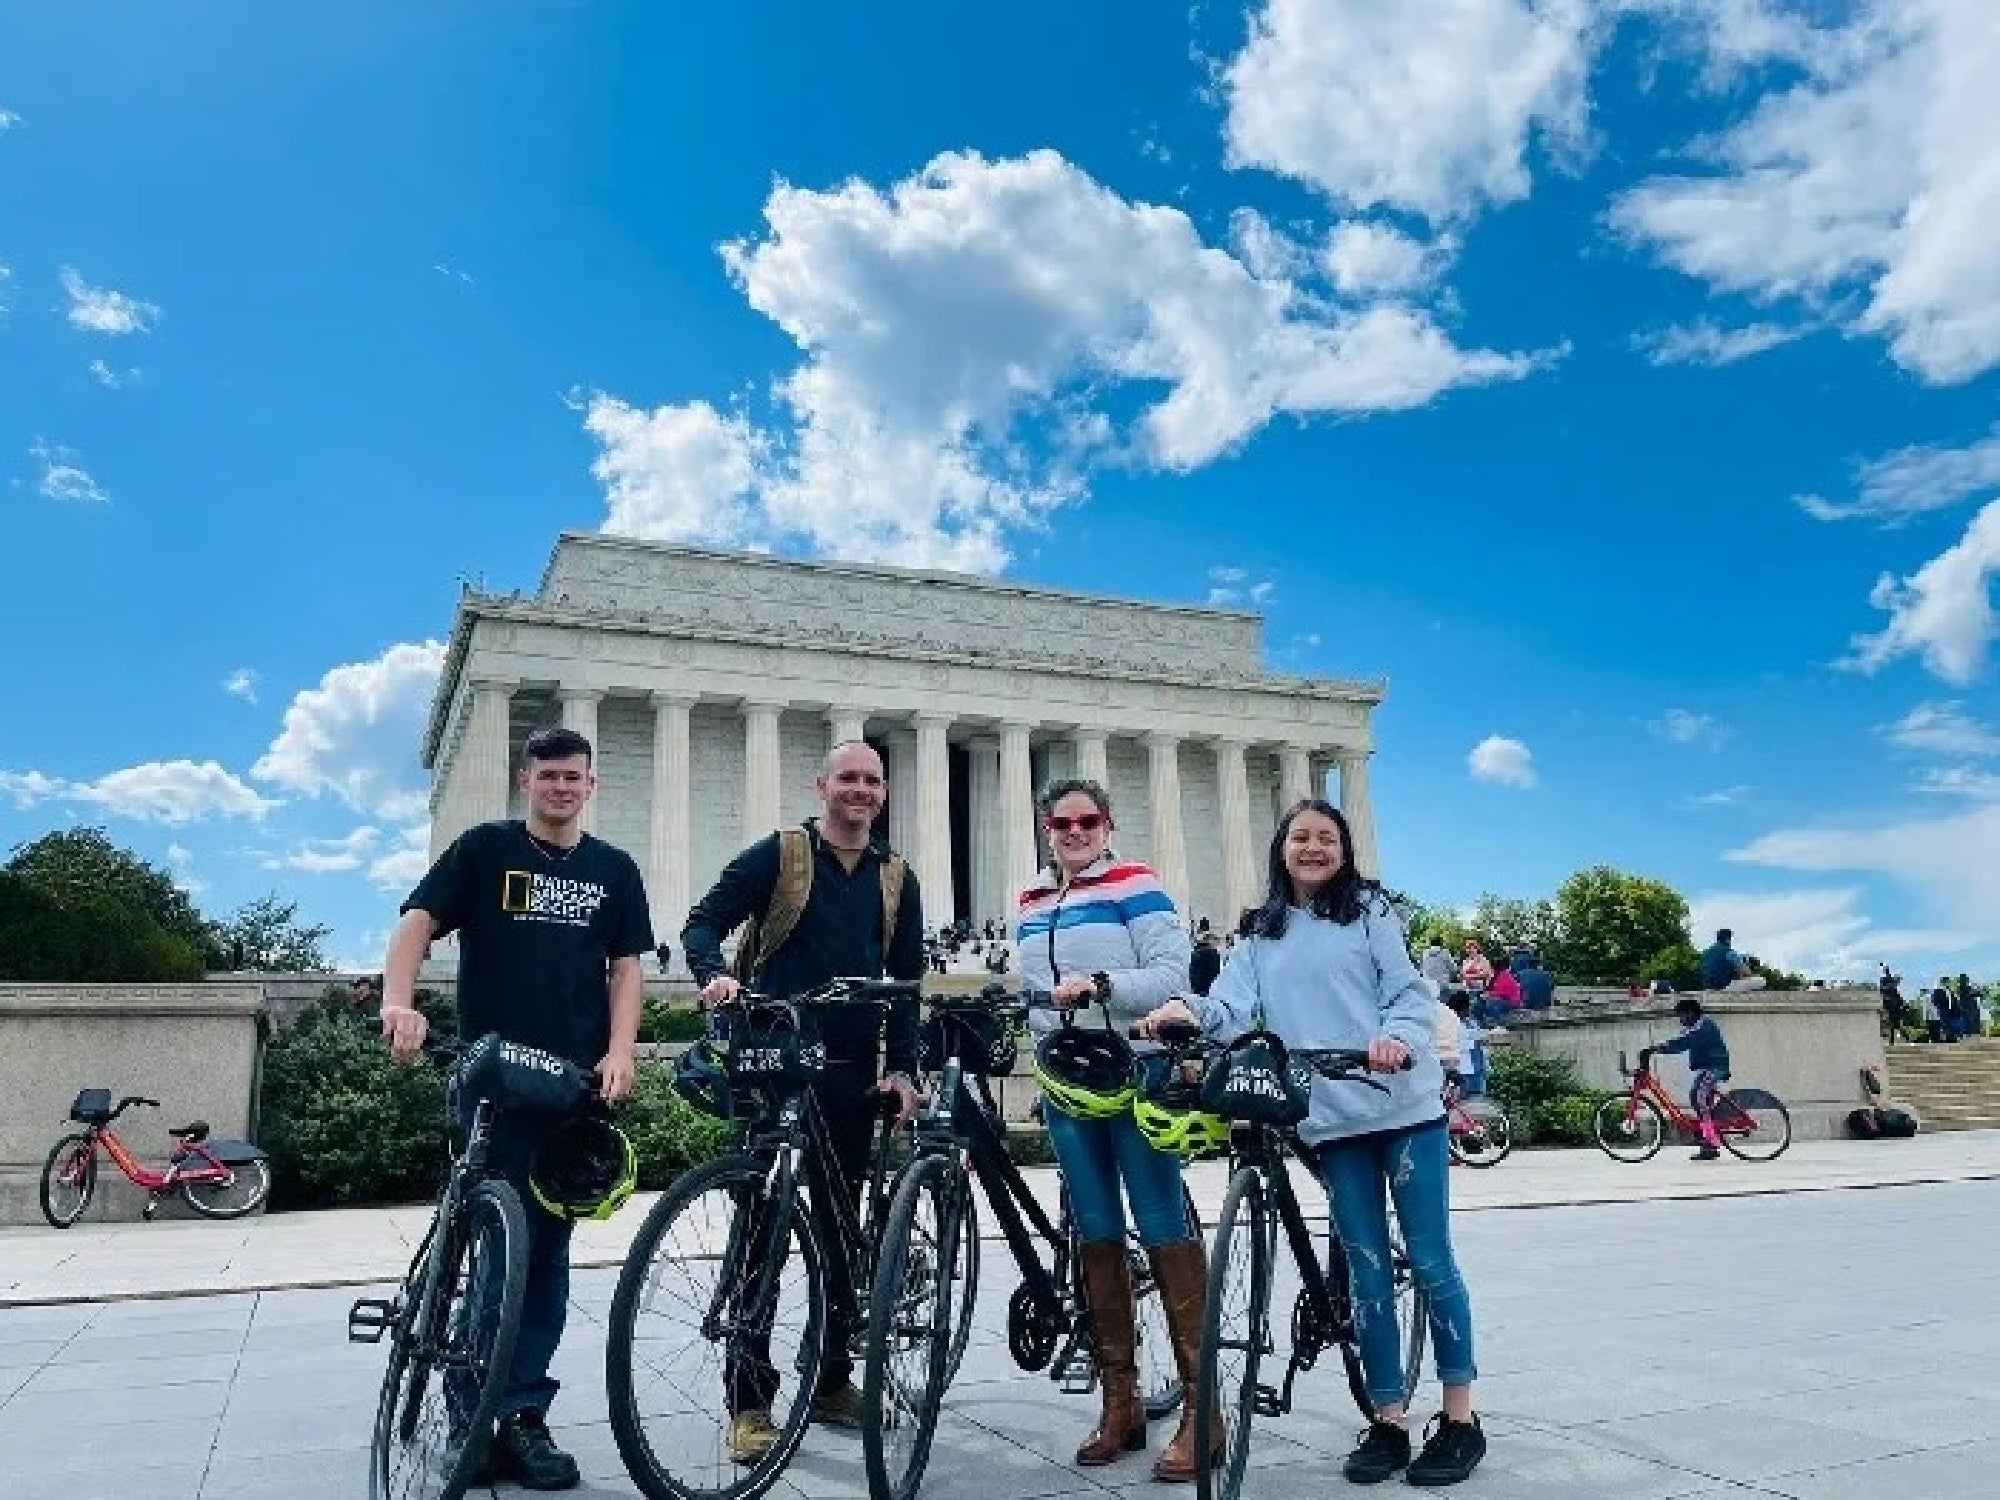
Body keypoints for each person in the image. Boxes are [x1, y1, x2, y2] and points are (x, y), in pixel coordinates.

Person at [1139, 799, 1486, 1487]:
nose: (1313, 848)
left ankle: (1460, 1418)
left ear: (1344, 849)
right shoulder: (1262, 932)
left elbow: (1409, 996)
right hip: (1333, 1119)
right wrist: (1188, 1010)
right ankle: (1388, 1419)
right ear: (1282, 849)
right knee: (1365, 1272)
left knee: (1430, 1259)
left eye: (1327, 838)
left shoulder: (1372, 913)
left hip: (1402, 1106)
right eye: (1301, 837)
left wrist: (1399, 1040)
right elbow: (1232, 1005)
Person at [379, 725, 653, 1491]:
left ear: (591, 787)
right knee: (498, 1255)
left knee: (548, 1260)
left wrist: (621, 1050)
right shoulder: (484, 850)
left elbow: (626, 968)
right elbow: (417, 924)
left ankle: (524, 1413)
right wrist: (398, 1004)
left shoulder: (613, 870)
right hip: (494, 1077)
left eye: (575, 777)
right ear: (523, 781)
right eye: (549, 776)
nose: (562, 788)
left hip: (572, 1086)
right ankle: (470, 1417)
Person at [682, 739, 925, 1463]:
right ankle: (748, 1402)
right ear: (822, 785)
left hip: (850, 1073)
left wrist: (903, 1070)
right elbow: (703, 919)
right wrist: (715, 973)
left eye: (871, 781)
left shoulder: (895, 878)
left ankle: (829, 1380)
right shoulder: (781, 855)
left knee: (838, 1233)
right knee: (760, 1234)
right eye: (847, 778)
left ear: (884, 793)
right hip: (776, 1063)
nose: (859, 790)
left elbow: (906, 984)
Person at [1016, 778, 1204, 1481]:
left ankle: (1201, 1407)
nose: (1073, 833)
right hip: (1068, 1081)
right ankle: (1119, 1404)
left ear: (1107, 824)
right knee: (1094, 1234)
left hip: (1136, 1071)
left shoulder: (1138, 884)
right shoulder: (1032, 899)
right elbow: (1037, 987)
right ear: (1045, 827)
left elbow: (1171, 974)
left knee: (1159, 1224)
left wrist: (1104, 985)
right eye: (1060, 823)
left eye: (1086, 821)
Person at [1642, 996, 1730, 1161]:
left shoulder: (1705, 1026)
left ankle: (1711, 1139)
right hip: (1705, 1068)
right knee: (1695, 1096)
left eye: (1682, 1016)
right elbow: (1680, 1042)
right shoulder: (1694, 1027)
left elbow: (1684, 1042)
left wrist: (1656, 1048)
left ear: (1691, 1013)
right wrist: (1659, 1049)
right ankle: (1707, 1142)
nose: (1681, 1020)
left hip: (1715, 1066)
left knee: (1699, 1096)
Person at [1698, 928, 1766, 992]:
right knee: (1761, 981)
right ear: (1727, 939)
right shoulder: (1729, 952)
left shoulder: (1706, 952)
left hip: (1707, 987)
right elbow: (1746, 972)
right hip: (1724, 987)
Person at [1878, 965, 1908, 1044]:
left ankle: (1903, 1012)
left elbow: (1894, 987)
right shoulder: (1884, 979)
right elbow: (1881, 988)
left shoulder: (1890, 979)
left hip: (1893, 997)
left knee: (1900, 1001)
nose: (1887, 972)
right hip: (1887, 997)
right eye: (1886, 971)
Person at [1189, 932, 1223, 997]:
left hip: (1194, 988)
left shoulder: (1195, 952)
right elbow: (1215, 974)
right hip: (1208, 990)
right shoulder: (1213, 954)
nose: (1218, 943)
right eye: (1215, 939)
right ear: (1209, 940)